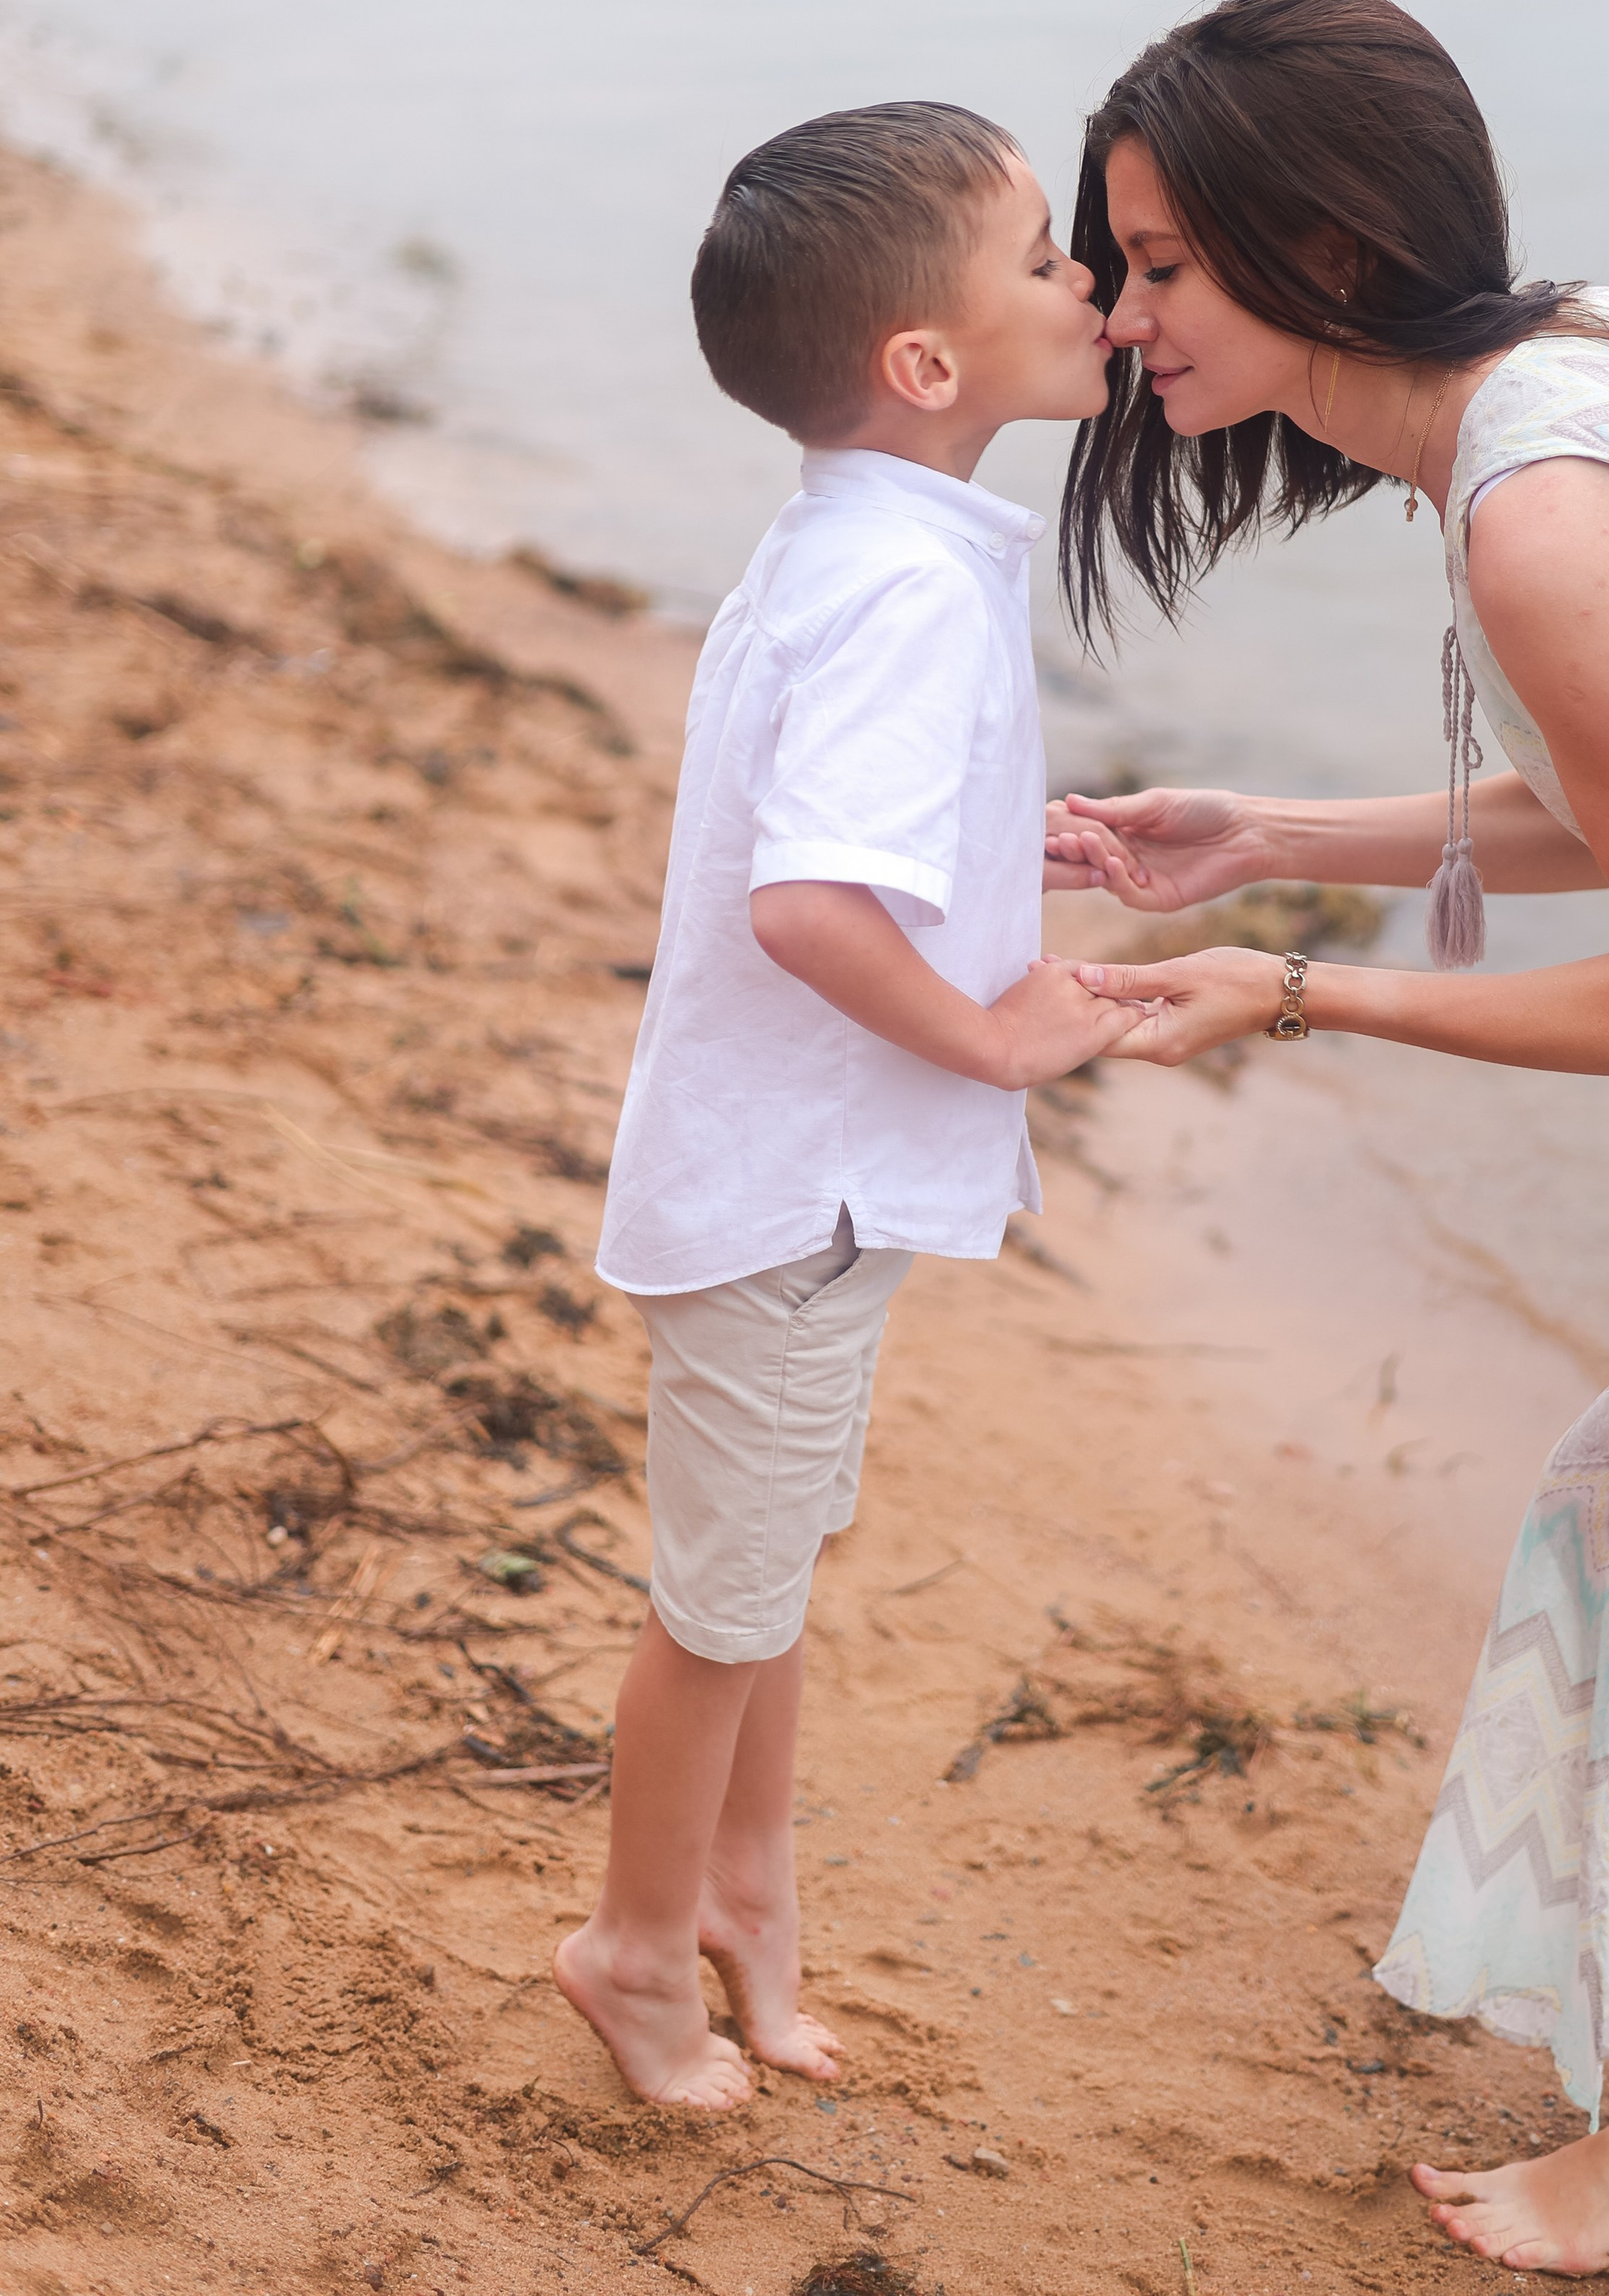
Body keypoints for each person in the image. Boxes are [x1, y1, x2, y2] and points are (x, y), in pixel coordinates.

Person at [1044, 0, 1609, 2272]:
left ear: (1327, 246)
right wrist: (1264, 829)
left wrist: (1285, 987)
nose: (1120, 311)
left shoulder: (1540, 523)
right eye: (1117, 262)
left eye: (1160, 264)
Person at [555, 102, 1135, 2109]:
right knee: (722, 1605)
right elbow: (810, 901)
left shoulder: (857, 545)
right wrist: (995, 1038)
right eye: (1049, 256)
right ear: (927, 364)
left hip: (791, 1186)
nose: (1091, 285)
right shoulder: (907, 590)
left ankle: (740, 1903)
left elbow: (835, 849)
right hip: (795, 1197)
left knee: (767, 1569)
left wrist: (1004, 851)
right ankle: (633, 1952)